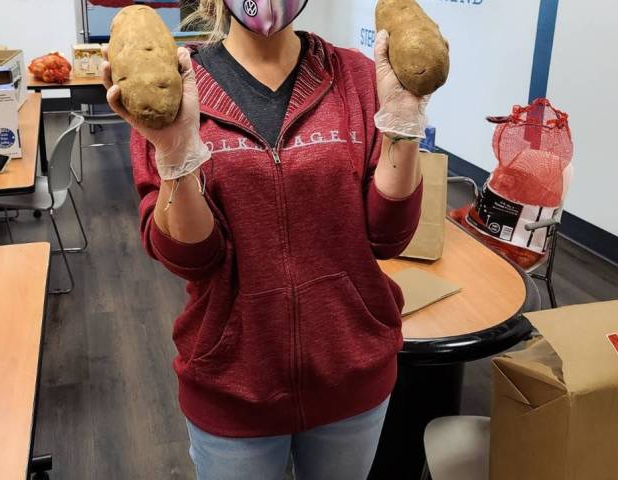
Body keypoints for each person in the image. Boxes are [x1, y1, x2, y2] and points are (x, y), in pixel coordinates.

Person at [102, 0, 428, 478]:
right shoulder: (174, 85)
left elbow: (387, 235)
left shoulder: (356, 77)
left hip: (351, 376)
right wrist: (175, 150)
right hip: (232, 388)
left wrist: (403, 125)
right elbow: (194, 258)